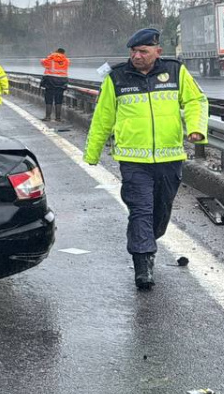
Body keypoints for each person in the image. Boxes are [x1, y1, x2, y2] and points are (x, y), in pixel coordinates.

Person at [84, 28, 208, 291]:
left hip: (169, 157)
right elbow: (103, 118)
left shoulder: (175, 71)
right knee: (140, 211)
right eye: (133, 51)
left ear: (157, 52)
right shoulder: (117, 77)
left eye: (143, 51)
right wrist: (92, 153)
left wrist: (197, 127)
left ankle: (148, 244)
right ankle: (143, 265)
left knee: (160, 212)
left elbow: (196, 100)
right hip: (133, 160)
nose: (136, 56)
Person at [40, 47, 70, 121]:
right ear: (63, 53)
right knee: (59, 99)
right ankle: (58, 117)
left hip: (50, 81)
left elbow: (43, 62)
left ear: (56, 51)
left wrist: (50, 56)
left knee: (49, 98)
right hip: (62, 81)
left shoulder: (51, 58)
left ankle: (47, 117)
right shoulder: (66, 60)